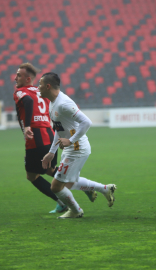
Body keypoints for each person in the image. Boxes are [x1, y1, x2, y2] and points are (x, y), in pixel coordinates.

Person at [13, 63, 97, 214]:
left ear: (27, 78)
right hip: (50, 133)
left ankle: (63, 202)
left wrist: (26, 126)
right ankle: (83, 187)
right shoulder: (42, 92)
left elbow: (28, 102)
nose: (15, 78)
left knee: (32, 175)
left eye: (18, 75)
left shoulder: (21, 92)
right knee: (50, 169)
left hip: (36, 134)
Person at [39, 72, 116, 219]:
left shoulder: (63, 104)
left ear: (48, 86)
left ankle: (76, 211)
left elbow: (86, 122)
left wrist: (71, 140)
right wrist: (51, 152)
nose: (38, 88)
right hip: (72, 148)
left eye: (40, 85)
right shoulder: (52, 102)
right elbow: (59, 129)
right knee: (69, 183)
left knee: (56, 187)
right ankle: (105, 189)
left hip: (77, 149)